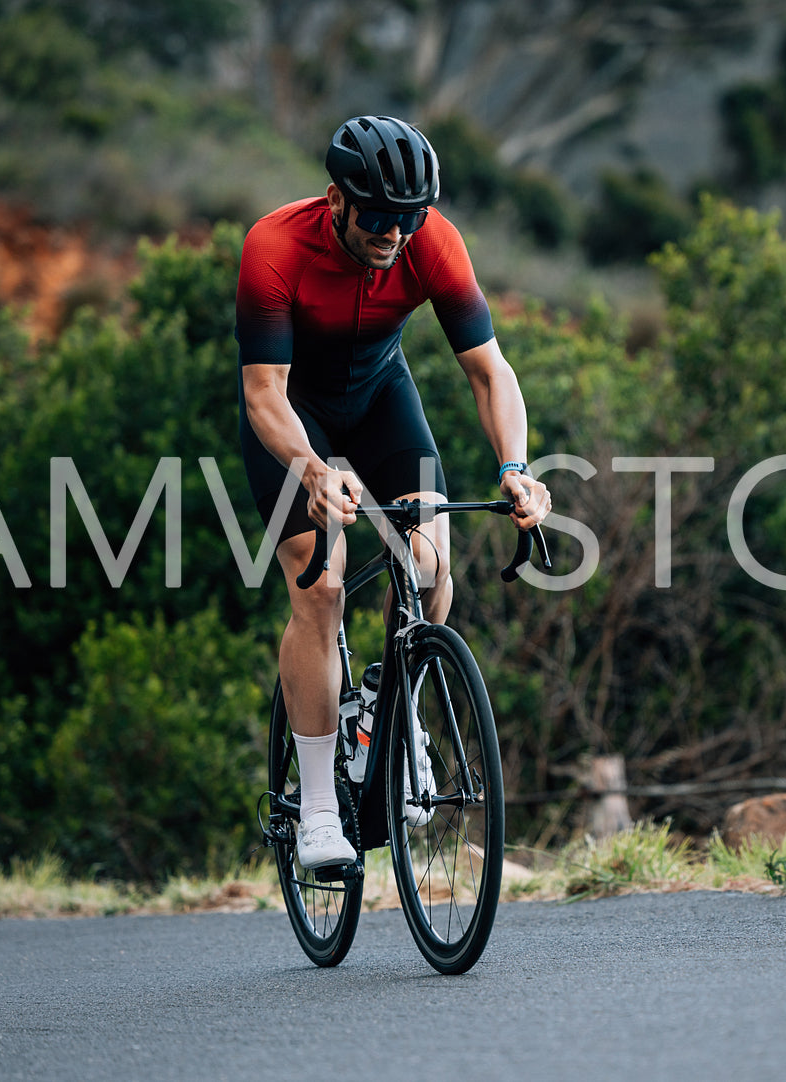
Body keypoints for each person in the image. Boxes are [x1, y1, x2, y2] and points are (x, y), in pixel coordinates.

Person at [235, 115, 552, 868]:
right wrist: (312, 469)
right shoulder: (274, 247)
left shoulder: (431, 242)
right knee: (321, 588)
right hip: (292, 415)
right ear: (335, 200)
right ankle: (317, 810)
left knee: (431, 564)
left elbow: (488, 371)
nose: (393, 234)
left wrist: (515, 467)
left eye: (407, 218)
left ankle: (392, 707)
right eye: (376, 216)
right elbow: (262, 393)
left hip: (380, 400)